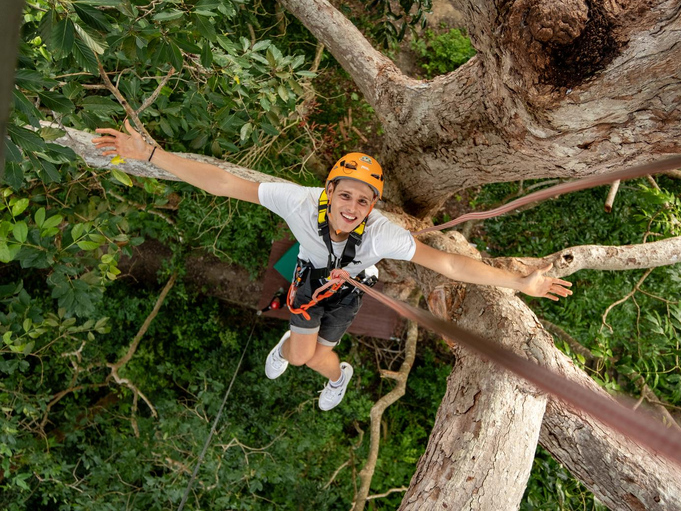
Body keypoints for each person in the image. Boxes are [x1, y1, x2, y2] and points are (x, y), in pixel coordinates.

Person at [92, 120, 573, 411]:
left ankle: (336, 373)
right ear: (329, 192)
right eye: (346, 194)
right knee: (302, 357)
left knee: (315, 354)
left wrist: (518, 283)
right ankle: (316, 361)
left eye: (364, 200)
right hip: (306, 281)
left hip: (348, 290)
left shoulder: (382, 232)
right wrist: (151, 154)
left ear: (372, 206)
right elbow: (223, 182)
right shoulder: (300, 203)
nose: (353, 206)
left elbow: (448, 263)